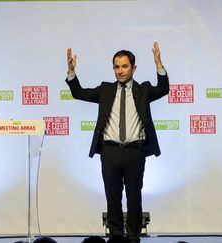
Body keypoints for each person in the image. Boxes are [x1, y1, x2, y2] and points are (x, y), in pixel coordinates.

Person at [65, 42, 169, 243]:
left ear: (133, 68)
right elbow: (79, 93)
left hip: (134, 152)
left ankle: (133, 236)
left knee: (134, 197)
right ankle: (115, 237)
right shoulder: (105, 89)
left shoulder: (144, 90)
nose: (120, 71)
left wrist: (159, 65)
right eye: (116, 67)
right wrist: (71, 72)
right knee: (112, 197)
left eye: (124, 66)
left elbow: (164, 89)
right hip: (109, 151)